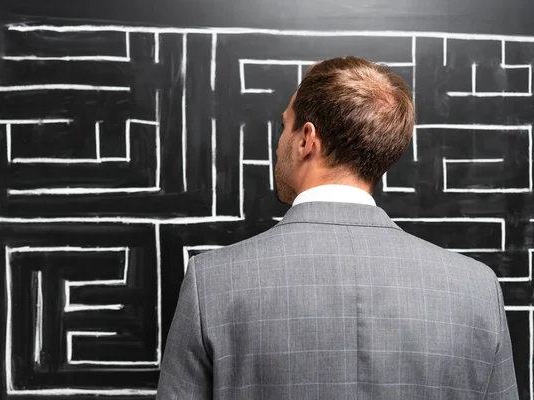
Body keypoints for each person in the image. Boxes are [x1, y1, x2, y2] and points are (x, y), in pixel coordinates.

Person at [156, 56, 518, 399]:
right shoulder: (476, 290)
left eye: (285, 126)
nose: (280, 141)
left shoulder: (213, 282)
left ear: (306, 139)